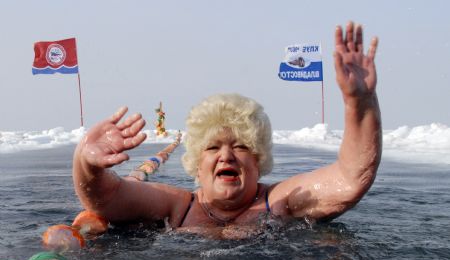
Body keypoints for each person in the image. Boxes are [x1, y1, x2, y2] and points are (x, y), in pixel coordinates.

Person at [73, 22, 381, 238]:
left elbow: (350, 178)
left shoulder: (280, 201)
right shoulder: (177, 206)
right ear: (196, 162)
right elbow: (108, 198)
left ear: (258, 159)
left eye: (242, 146)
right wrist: (86, 163)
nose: (226, 156)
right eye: (212, 147)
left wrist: (360, 104)